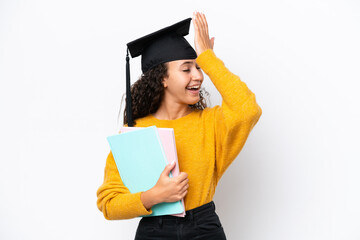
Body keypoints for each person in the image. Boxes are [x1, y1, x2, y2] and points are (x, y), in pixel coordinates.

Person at [97, 12, 262, 240]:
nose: (198, 76)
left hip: (204, 228)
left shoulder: (210, 123)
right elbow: (109, 203)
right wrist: (153, 196)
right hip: (154, 232)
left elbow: (248, 109)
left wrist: (208, 58)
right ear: (162, 78)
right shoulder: (136, 131)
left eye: (199, 68)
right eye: (187, 69)